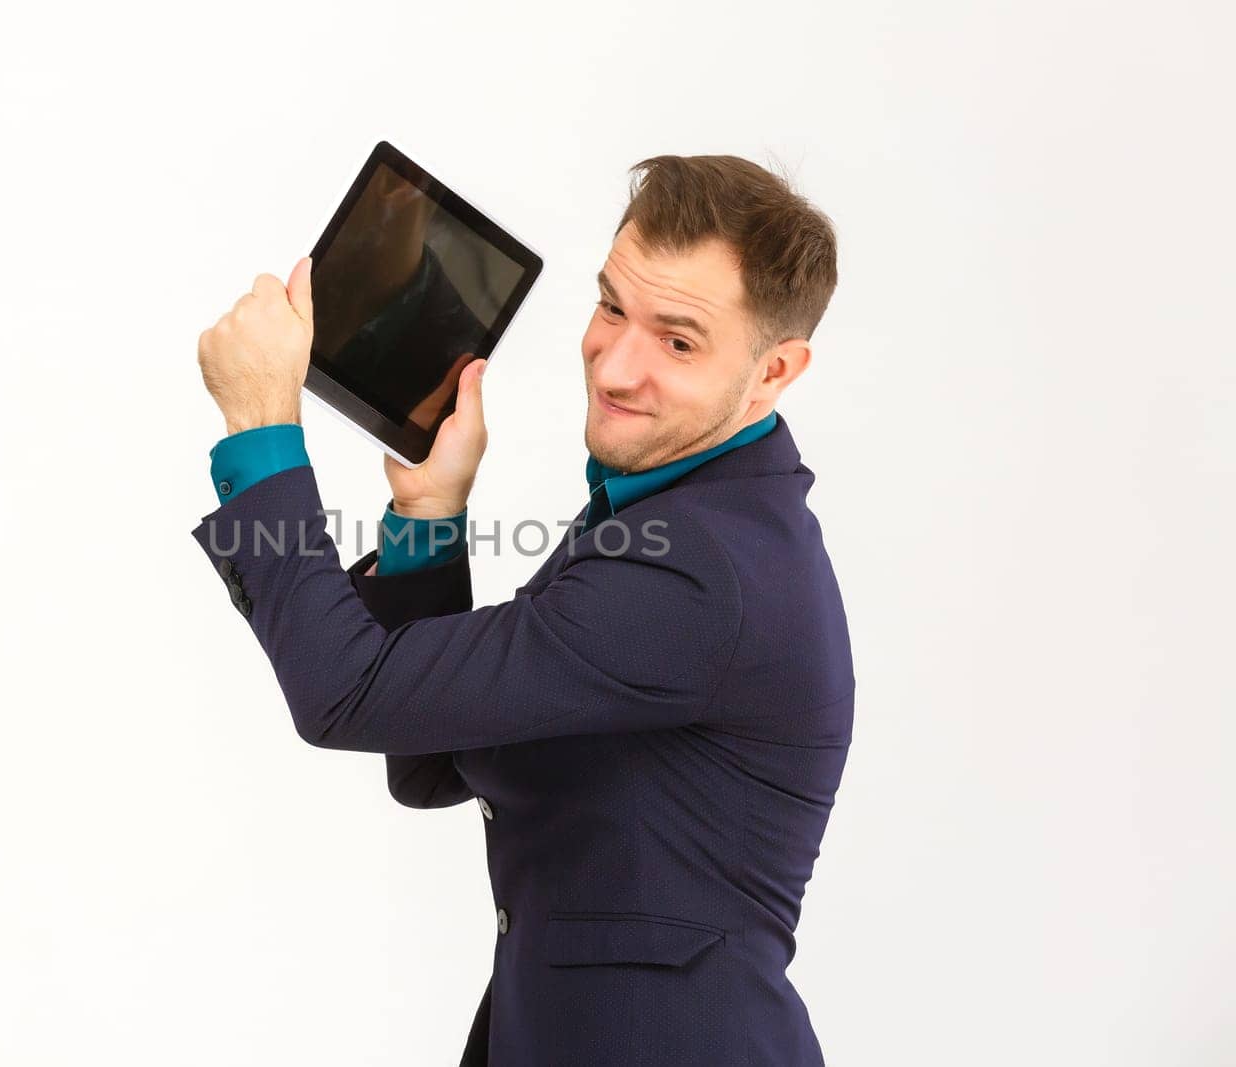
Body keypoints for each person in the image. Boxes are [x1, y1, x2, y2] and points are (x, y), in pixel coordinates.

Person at [192, 153, 851, 1066]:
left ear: (775, 370)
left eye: (679, 340)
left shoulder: (699, 570)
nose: (617, 365)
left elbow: (342, 691)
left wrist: (262, 429)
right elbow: (431, 763)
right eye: (613, 305)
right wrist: (430, 515)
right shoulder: (669, 512)